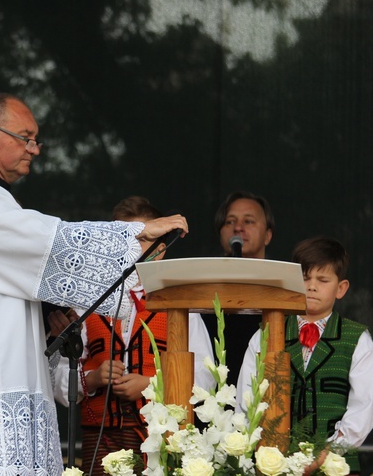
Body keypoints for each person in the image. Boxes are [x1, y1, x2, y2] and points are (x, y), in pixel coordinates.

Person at [0, 93, 188, 475]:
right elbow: (44, 241)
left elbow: (17, 269)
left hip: (2, 383)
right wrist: (138, 232)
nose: (33, 148)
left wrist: (50, 310)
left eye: (35, 140)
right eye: (24, 137)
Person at [47, 196, 216, 470]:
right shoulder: (89, 300)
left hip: (161, 437)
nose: (126, 249)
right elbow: (58, 371)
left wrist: (150, 385)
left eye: (137, 240)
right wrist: (91, 379)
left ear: (160, 249)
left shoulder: (179, 306)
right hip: (99, 439)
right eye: (120, 240)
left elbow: (205, 376)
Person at [236, 236, 373, 474]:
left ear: (341, 289)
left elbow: (364, 407)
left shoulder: (357, 339)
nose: (312, 286)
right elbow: (245, 401)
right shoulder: (265, 335)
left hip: (336, 466)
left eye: (323, 279)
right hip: (272, 465)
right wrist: (261, 450)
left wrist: (328, 453)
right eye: (305, 278)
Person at [205, 190, 275, 386]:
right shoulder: (202, 286)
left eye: (249, 221)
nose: (238, 228)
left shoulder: (282, 285)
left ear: (268, 235)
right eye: (230, 222)